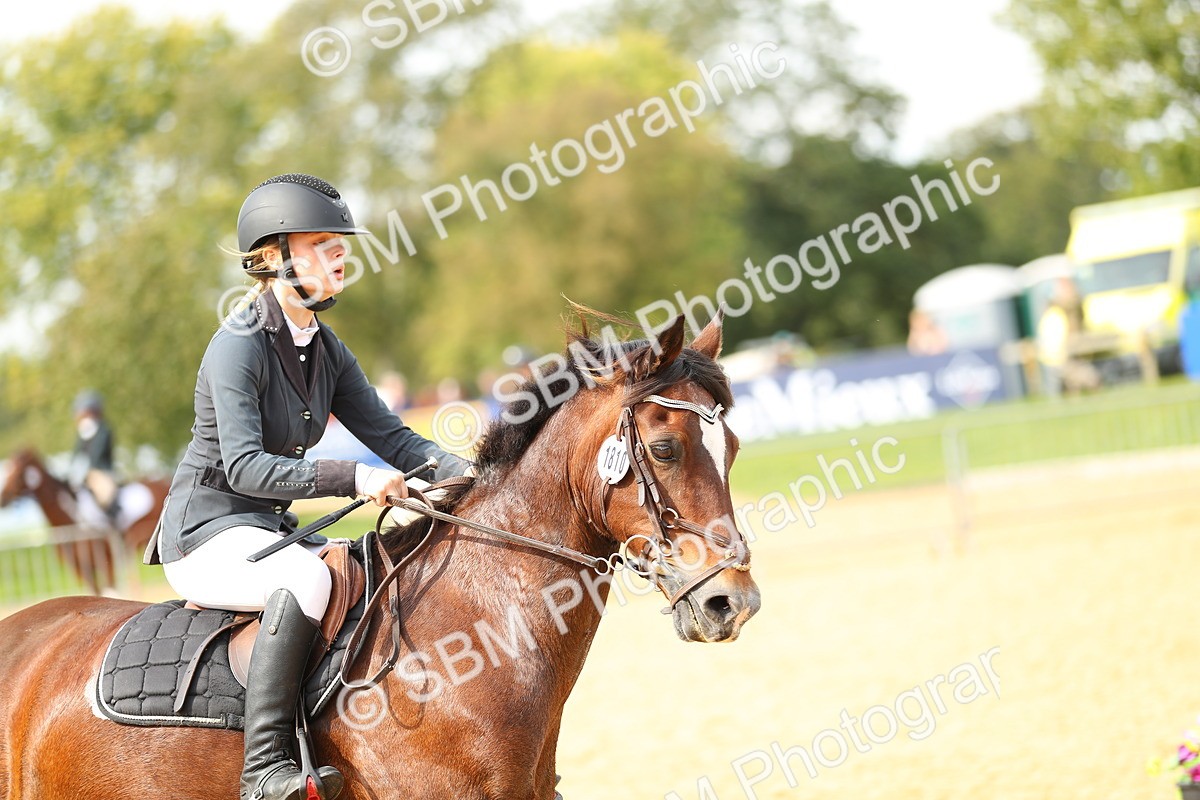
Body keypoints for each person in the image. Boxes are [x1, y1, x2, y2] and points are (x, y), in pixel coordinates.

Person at [146, 174, 474, 800]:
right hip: (202, 535)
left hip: (263, 531)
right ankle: (263, 769)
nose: (340, 254)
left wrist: (468, 474)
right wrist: (352, 476)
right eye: (322, 242)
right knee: (307, 579)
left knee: (368, 571)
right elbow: (244, 469)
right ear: (274, 257)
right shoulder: (235, 346)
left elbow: (396, 439)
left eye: (340, 242)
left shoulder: (324, 349)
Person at [70, 389, 120, 524]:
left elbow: (96, 456)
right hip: (84, 475)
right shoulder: (83, 432)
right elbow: (77, 455)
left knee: (106, 495)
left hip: (101, 472)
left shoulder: (104, 431)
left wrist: (86, 473)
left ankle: (113, 520)